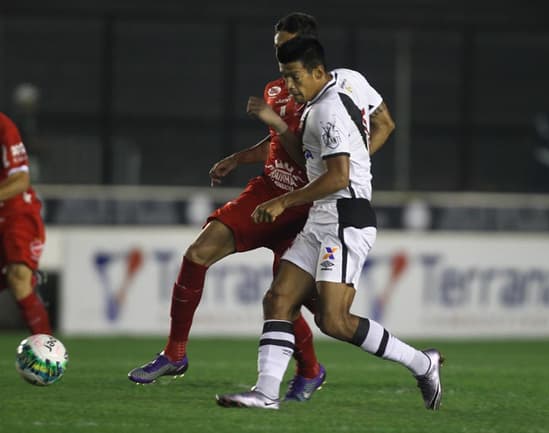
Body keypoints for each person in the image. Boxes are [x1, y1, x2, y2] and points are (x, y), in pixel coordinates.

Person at [127, 13, 395, 403]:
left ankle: (310, 370)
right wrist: (239, 158)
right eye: (275, 49)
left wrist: (351, 162)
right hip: (268, 190)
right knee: (199, 253)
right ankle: (175, 353)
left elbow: (324, 156)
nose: (278, 58)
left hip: (305, 205)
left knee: (296, 301)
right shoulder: (279, 90)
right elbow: (277, 145)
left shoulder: (332, 95)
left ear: (305, 47)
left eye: (285, 48)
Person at [215, 37, 442, 411]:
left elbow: (338, 177)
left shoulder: (327, 112)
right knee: (279, 298)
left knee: (334, 321)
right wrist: (274, 128)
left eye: (294, 77)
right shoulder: (334, 91)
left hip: (345, 217)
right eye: (284, 78)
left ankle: (422, 363)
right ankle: (266, 393)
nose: (288, 87)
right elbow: (375, 127)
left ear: (318, 72)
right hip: (324, 215)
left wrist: (283, 200)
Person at [0, 112, 51, 335]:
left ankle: (47, 350)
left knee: (18, 275)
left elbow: (20, 180)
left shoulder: (3, 126)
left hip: (16, 213)